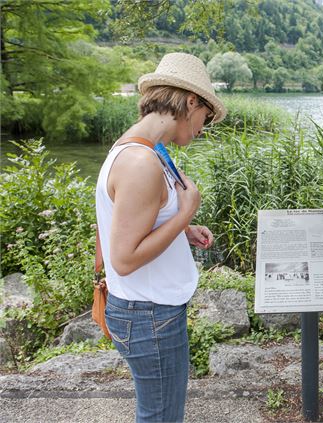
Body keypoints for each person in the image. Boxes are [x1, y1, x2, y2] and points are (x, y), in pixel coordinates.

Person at [95, 52, 227, 422]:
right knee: (161, 417)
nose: (204, 128)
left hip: (145, 310)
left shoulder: (142, 148)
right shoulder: (141, 162)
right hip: (149, 314)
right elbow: (123, 258)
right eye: (206, 116)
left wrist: (182, 230)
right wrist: (186, 211)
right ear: (189, 101)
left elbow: (123, 220)